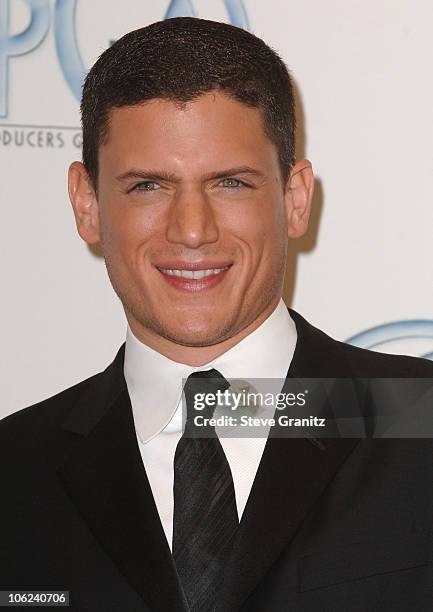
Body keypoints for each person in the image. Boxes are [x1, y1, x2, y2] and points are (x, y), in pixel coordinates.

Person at [1, 16, 432, 612]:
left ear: (294, 199)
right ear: (87, 204)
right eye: (148, 186)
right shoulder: (15, 470)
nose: (193, 230)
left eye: (230, 182)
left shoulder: (421, 423)